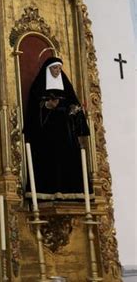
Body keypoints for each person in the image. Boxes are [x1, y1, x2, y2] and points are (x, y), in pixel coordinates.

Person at [23, 56, 91, 201]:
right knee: (50, 160)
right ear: (48, 69)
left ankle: (70, 194)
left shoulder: (66, 86)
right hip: (47, 135)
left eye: (59, 68)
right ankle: (48, 193)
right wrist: (47, 106)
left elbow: (73, 104)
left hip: (66, 134)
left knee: (68, 160)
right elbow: (33, 110)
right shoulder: (39, 86)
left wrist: (75, 110)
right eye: (55, 68)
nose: (57, 71)